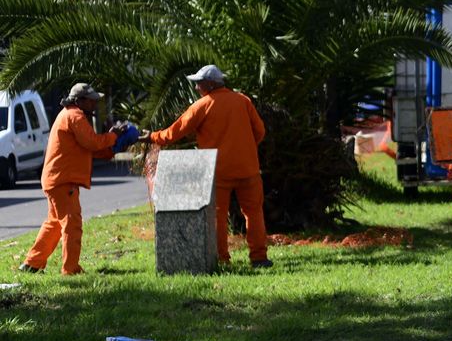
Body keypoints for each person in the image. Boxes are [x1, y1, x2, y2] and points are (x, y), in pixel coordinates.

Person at [145, 65, 271, 268]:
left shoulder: (202, 105)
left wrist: (151, 136)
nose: (196, 88)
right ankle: (259, 258)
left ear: (210, 84)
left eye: (199, 83)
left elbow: (174, 133)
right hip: (248, 168)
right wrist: (245, 148)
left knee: (217, 216)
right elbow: (260, 131)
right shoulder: (243, 100)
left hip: (217, 171)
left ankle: (221, 259)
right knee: (254, 213)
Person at [20, 84, 124, 275]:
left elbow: (85, 147)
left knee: (54, 224)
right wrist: (113, 136)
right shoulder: (75, 116)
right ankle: (71, 269)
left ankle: (32, 264)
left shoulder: (68, 114)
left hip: (55, 179)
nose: (94, 103)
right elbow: (92, 142)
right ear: (80, 100)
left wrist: (111, 148)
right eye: (91, 99)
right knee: (71, 224)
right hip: (62, 181)